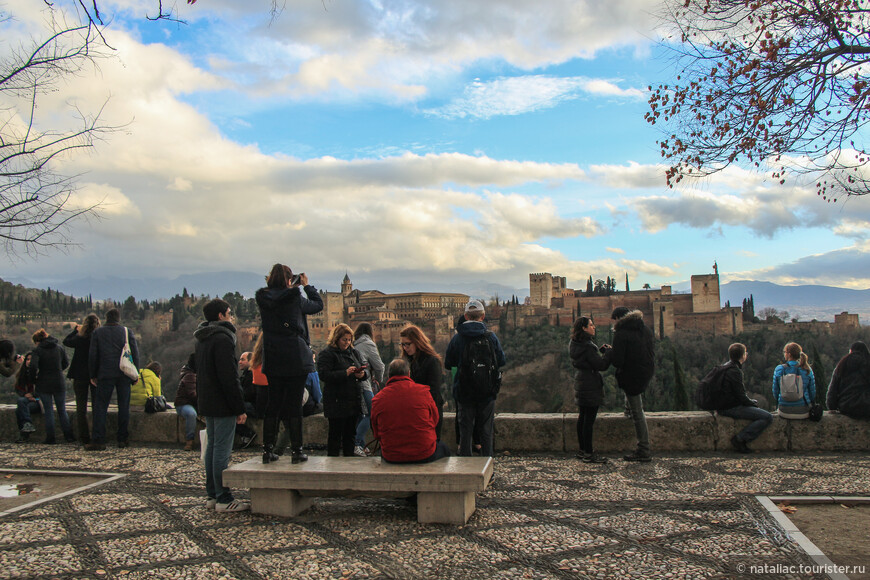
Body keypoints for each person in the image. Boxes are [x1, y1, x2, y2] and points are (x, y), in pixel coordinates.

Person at [255, 264, 323, 464]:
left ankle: (268, 450)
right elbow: (317, 305)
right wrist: (306, 286)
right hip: (295, 356)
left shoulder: (263, 299)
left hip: (273, 356)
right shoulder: (294, 298)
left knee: (273, 404)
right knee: (294, 406)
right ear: (288, 280)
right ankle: (297, 451)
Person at [195, 298, 249, 513]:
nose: (231, 315)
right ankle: (224, 498)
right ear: (220, 316)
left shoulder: (202, 338)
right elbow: (229, 377)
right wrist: (239, 406)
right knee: (221, 452)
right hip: (223, 402)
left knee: (211, 449)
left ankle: (212, 494)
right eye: (229, 312)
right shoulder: (224, 338)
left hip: (207, 400)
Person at [444, 299, 506, 458]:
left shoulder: (457, 338)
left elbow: (448, 363)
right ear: (483, 316)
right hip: (487, 391)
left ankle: (467, 468)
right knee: (486, 430)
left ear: (465, 316)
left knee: (465, 430)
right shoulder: (491, 337)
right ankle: (487, 465)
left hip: (464, 391)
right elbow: (501, 361)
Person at [372, 358, 450, 463]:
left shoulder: (378, 399)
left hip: (392, 455)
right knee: (444, 449)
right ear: (408, 373)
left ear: (389, 375)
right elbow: (435, 420)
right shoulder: (423, 392)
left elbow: (376, 431)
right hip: (424, 452)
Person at [604, 307, 655, 462]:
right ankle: (628, 410)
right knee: (634, 400)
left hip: (631, 375)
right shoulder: (645, 328)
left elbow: (618, 361)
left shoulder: (621, 334)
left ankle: (643, 449)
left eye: (615, 320)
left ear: (619, 318)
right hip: (646, 371)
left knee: (638, 412)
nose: (614, 323)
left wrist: (609, 353)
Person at [87, 308, 139, 451]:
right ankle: (122, 438)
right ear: (118, 318)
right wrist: (136, 374)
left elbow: (93, 355)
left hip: (105, 374)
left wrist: (93, 374)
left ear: (106, 318)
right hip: (124, 373)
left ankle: (99, 440)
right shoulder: (126, 332)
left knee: (101, 406)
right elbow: (134, 353)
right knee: (124, 406)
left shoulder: (98, 332)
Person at [317, 323, 368, 457]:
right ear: (336, 339)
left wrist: (362, 374)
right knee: (335, 437)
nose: (347, 342)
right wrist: (344, 373)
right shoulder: (327, 354)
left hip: (353, 401)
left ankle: (348, 464)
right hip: (336, 402)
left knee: (350, 436)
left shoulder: (354, 352)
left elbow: (365, 371)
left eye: (349, 340)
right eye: (344, 339)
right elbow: (324, 375)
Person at [716, 343, 773, 453]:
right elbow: (741, 396)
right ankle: (740, 439)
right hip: (730, 407)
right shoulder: (735, 371)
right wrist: (752, 403)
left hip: (722, 405)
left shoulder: (724, 367)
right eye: (745, 353)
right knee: (767, 417)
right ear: (743, 356)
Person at [569, 317, 611, 464]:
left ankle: (582, 450)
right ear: (584, 328)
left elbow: (586, 360)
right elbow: (601, 365)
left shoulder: (575, 344)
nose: (594, 327)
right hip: (590, 384)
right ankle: (588, 453)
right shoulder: (588, 346)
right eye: (591, 325)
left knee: (583, 417)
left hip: (580, 382)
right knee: (589, 420)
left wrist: (598, 352)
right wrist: (608, 353)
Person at [29, 329, 74, 444]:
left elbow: (33, 366)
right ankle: (68, 436)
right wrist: (58, 370)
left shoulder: (37, 350)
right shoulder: (59, 348)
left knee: (48, 411)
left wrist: (34, 379)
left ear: (37, 341)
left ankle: (51, 438)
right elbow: (66, 363)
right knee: (62, 410)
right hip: (59, 381)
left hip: (44, 383)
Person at [400, 324, 444, 440]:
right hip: (414, 411)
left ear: (417, 342)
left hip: (429, 411)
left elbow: (434, 390)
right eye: (403, 344)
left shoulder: (432, 361)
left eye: (407, 344)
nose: (405, 348)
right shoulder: (407, 361)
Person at [63, 314, 100, 445]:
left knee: (81, 407)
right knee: (97, 406)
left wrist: (76, 330)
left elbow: (66, 341)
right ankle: (97, 434)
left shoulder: (80, 338)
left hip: (79, 375)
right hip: (95, 375)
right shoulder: (98, 338)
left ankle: (84, 437)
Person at [353, 322, 385, 456]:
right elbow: (379, 366)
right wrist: (379, 380)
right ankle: (355, 443)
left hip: (354, 384)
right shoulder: (368, 343)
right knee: (371, 414)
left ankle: (360, 445)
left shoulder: (355, 344)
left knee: (361, 414)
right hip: (365, 384)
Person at [772, 342, 816, 420]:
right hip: (804, 411)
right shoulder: (807, 369)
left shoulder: (779, 369)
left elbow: (775, 393)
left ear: (789, 354)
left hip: (784, 411)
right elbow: (812, 394)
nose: (784, 354)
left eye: (785, 352)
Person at [827, 341, 870, 419]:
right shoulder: (867, 363)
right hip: (866, 405)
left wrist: (832, 407)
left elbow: (833, 389)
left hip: (846, 406)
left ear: (851, 351)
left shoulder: (842, 364)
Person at [13, 353, 40, 442]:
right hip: (26, 401)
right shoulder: (22, 374)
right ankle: (27, 427)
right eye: (27, 359)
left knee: (20, 407)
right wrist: (25, 395)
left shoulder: (40, 373)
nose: (29, 361)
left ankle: (24, 434)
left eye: (31, 359)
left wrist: (34, 397)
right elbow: (18, 388)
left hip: (38, 401)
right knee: (21, 405)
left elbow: (43, 391)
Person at [174, 353, 198, 451]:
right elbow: (192, 394)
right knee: (191, 414)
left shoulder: (192, 373)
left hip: (192, 403)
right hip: (184, 404)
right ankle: (189, 440)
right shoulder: (190, 376)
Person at [235, 351, 258, 448]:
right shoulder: (245, 375)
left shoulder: (252, 375)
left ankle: (247, 433)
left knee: (231, 409)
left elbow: (249, 394)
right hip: (249, 404)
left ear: (250, 361)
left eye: (242, 359)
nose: (240, 362)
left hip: (254, 406)